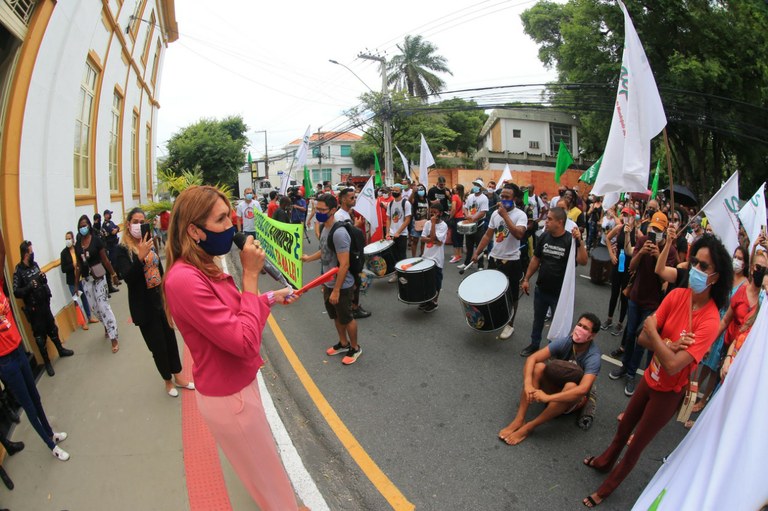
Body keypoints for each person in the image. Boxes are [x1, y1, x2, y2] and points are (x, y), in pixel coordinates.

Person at [163, 185, 303, 510]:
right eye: (222, 219)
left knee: (264, 469)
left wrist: (270, 297)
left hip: (239, 387)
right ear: (194, 231)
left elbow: (233, 314)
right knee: (267, 476)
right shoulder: (184, 279)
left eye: (230, 215)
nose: (232, 225)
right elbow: (243, 340)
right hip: (230, 398)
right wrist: (251, 275)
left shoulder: (203, 265)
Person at [583, 234, 732, 508]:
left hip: (668, 394)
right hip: (649, 379)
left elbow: (674, 364)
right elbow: (640, 339)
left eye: (704, 266)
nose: (696, 269)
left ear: (716, 276)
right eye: (695, 262)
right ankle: (604, 462)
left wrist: (656, 333)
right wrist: (670, 344)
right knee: (624, 426)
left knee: (636, 444)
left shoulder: (710, 320)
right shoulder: (676, 295)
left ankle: (606, 489)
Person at [0, 228, 70, 461]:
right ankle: (50, 445)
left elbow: (1, 254)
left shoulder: (0, 286)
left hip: (18, 349)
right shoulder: (19, 274)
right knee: (28, 405)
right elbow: (20, 290)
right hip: (5, 360)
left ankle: (51, 433)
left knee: (36, 397)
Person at [116, 208, 194, 397]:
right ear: (128, 224)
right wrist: (140, 257)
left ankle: (179, 376)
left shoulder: (149, 241)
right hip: (143, 306)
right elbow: (127, 277)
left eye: (142, 221)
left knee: (170, 339)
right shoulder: (121, 250)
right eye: (135, 221)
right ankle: (167, 381)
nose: (138, 225)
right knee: (157, 346)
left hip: (159, 300)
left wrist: (168, 297)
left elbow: (159, 269)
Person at [499, 313, 602, 445]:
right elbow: (532, 358)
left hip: (571, 398)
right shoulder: (567, 341)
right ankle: (519, 418)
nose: (580, 329)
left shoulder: (593, 357)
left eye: (585, 328)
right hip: (555, 388)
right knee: (538, 368)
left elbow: (583, 389)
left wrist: (548, 398)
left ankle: (529, 427)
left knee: (571, 386)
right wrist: (528, 384)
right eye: (579, 325)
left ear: (592, 336)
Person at [609, 212, 678, 396]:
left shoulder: (670, 250)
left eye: (658, 230)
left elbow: (666, 278)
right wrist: (642, 253)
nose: (654, 233)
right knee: (630, 334)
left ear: (664, 232)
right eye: (652, 229)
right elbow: (631, 266)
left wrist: (657, 256)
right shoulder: (644, 240)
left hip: (653, 303)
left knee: (642, 339)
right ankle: (624, 366)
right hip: (636, 297)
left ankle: (632, 374)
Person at [301, 193, 362, 365]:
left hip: (342, 285)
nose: (318, 212)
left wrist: (336, 289)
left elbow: (344, 264)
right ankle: (343, 344)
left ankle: (355, 348)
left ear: (333, 210)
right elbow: (325, 251)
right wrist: (309, 258)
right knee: (335, 316)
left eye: (322, 210)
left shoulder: (339, 233)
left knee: (347, 317)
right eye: (317, 209)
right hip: (328, 282)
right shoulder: (325, 228)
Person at [520, 207, 588, 357]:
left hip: (560, 294)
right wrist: (526, 279)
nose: (546, 222)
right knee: (538, 320)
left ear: (560, 222)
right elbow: (536, 259)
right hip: (541, 289)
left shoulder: (570, 239)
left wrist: (580, 241)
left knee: (558, 325)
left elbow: (583, 261)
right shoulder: (544, 236)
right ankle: (534, 344)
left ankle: (553, 351)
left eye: (550, 219)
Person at [469, 183, 528, 340]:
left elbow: (518, 234)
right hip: (494, 259)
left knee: (512, 295)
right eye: (502, 196)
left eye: (507, 197)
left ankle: (510, 324)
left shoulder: (521, 215)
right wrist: (477, 252)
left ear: (514, 199)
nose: (503, 200)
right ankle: (495, 317)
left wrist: (505, 216)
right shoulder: (495, 214)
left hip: (512, 261)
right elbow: (488, 235)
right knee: (493, 291)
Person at [13, 241, 74, 376]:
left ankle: (61, 350)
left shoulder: (34, 265)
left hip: (44, 305)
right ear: (25, 254)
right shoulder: (19, 271)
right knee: (40, 338)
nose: (32, 253)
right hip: (34, 310)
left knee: (52, 329)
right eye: (30, 252)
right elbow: (16, 292)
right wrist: (29, 286)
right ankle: (47, 363)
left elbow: (42, 281)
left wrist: (43, 278)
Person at [74, 214, 120, 353]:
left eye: (85, 225)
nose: (83, 228)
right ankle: (105, 325)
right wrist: (76, 285)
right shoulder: (77, 244)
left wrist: (113, 274)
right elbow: (77, 266)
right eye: (81, 226)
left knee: (103, 306)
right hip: (87, 280)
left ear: (89, 225)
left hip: (99, 278)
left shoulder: (96, 241)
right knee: (95, 308)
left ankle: (114, 337)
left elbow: (105, 260)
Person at [334, 188, 371, 319]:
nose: (354, 200)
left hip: (354, 254)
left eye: (355, 197)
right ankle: (353, 308)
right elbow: (344, 237)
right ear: (343, 199)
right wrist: (356, 226)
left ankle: (354, 306)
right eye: (352, 198)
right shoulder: (339, 216)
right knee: (354, 282)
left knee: (357, 281)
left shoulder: (346, 213)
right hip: (349, 256)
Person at [602, 208, 636, 338]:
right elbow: (608, 238)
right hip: (618, 262)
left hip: (629, 266)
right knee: (614, 292)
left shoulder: (636, 233)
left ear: (633, 217)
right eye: (624, 215)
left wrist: (635, 265)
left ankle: (620, 323)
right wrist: (611, 254)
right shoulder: (619, 228)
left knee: (624, 296)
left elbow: (638, 249)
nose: (625, 217)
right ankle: (609, 319)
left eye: (628, 215)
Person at [60, 231, 99, 330]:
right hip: (72, 281)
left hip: (81, 278)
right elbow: (63, 269)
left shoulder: (77, 249)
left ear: (73, 239)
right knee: (77, 301)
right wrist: (72, 266)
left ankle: (90, 317)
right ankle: (83, 322)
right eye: (66, 238)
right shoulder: (64, 253)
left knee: (85, 298)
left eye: (69, 238)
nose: (68, 240)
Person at [418, 203, 448, 312]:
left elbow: (436, 239)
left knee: (436, 281)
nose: (433, 214)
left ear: (440, 213)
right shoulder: (427, 223)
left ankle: (434, 302)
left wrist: (433, 226)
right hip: (427, 256)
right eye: (431, 212)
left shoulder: (443, 225)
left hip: (437, 258)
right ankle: (427, 300)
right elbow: (423, 239)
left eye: (435, 212)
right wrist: (432, 240)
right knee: (426, 280)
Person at [459, 178, 489, 271]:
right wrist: (467, 216)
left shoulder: (484, 198)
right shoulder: (470, 196)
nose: (476, 187)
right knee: (469, 244)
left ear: (481, 188)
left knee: (479, 245)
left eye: (478, 185)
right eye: (475, 184)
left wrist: (473, 218)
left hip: (479, 224)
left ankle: (480, 265)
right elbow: (465, 207)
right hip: (470, 223)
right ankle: (467, 262)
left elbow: (483, 212)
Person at [385, 183, 412, 283]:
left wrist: (398, 232)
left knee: (402, 255)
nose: (394, 192)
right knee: (394, 255)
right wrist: (388, 232)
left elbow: (407, 219)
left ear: (401, 191)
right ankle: (396, 274)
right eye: (393, 191)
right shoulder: (391, 204)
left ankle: (404, 275)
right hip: (392, 234)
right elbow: (388, 219)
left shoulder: (406, 203)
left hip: (402, 234)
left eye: (396, 191)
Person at [102, 209, 121, 293]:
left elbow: (117, 228)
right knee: (112, 263)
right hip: (110, 246)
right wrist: (115, 230)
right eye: (109, 214)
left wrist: (116, 229)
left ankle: (118, 276)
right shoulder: (106, 224)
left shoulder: (111, 222)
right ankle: (114, 279)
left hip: (114, 244)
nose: (110, 215)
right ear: (106, 215)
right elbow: (113, 232)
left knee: (116, 261)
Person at [409, 184, 429, 257]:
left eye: (422, 189)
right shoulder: (415, 199)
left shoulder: (426, 200)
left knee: (423, 240)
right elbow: (410, 201)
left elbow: (429, 209)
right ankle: (413, 256)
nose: (421, 191)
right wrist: (413, 192)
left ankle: (422, 254)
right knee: (415, 240)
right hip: (416, 222)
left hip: (425, 222)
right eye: (419, 189)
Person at [448, 184, 465, 264]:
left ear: (457, 190)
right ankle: (459, 254)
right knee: (460, 237)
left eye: (454, 188)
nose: (453, 189)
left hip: (456, 218)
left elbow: (454, 208)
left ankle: (456, 256)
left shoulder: (454, 196)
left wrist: (450, 216)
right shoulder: (461, 197)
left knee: (454, 237)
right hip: (461, 218)